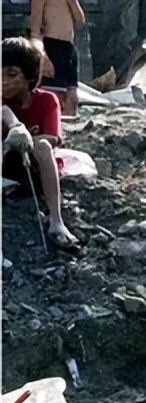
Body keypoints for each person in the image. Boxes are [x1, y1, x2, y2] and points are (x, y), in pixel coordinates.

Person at [2, 37, 80, 251]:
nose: (4, 81)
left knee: (43, 147)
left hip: (35, 170)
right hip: (6, 168)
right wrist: (13, 129)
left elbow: (52, 138)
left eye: (11, 74)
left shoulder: (46, 100)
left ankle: (57, 221)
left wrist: (25, 138)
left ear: (28, 76)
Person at [31, 0, 86, 119]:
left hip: (68, 49)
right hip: (51, 47)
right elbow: (35, 30)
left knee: (72, 96)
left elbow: (79, 21)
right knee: (54, 96)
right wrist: (42, 56)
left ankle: (71, 128)